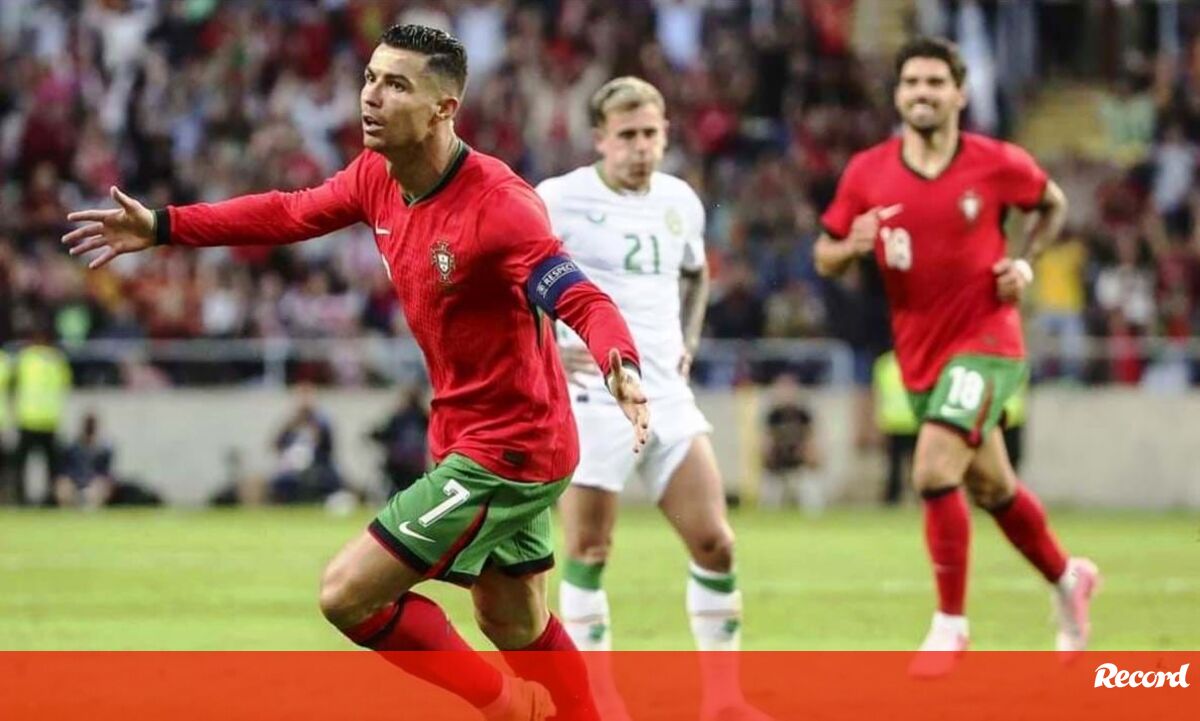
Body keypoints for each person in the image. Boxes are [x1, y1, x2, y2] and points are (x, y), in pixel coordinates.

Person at [63, 24, 649, 721]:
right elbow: (288, 212)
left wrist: (619, 362)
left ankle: (506, 706)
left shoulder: (499, 205)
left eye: (396, 85)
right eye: (370, 77)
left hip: (511, 448)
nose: (370, 96)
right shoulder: (378, 177)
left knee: (348, 594)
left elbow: (577, 295)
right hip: (468, 433)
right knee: (511, 618)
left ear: (444, 108)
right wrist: (165, 226)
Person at [813, 37, 1098, 674]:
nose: (923, 93)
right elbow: (824, 255)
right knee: (994, 487)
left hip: (988, 341)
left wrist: (1024, 262)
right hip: (920, 353)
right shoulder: (868, 173)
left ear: (960, 94)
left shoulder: (996, 162)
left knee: (932, 469)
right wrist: (851, 246)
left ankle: (950, 624)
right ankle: (1068, 578)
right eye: (912, 82)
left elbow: (1051, 204)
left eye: (936, 83)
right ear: (897, 95)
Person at [536, 76, 768, 721]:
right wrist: (548, 350)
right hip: (592, 397)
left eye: (651, 134)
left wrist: (687, 341)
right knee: (588, 551)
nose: (641, 147)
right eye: (627, 135)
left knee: (716, 542)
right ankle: (597, 701)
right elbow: (509, 279)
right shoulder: (557, 200)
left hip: (665, 394)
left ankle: (724, 701)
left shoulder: (680, 201)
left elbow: (695, 275)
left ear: (665, 133)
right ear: (599, 139)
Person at [11, 325, 72, 506]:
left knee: (23, 464)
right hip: (47, 418)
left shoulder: (25, 358)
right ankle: (49, 499)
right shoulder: (56, 359)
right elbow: (66, 383)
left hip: (29, 418)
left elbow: (14, 384)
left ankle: (22, 498)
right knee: (50, 465)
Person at [759, 373, 823, 513]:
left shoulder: (803, 414)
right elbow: (766, 441)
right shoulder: (773, 416)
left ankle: (814, 517)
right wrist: (767, 459)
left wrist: (811, 458)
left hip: (799, 464)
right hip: (778, 464)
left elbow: (811, 439)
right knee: (769, 496)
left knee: (810, 487)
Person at [270, 384, 344, 504]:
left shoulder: (322, 423)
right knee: (280, 480)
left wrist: (315, 431)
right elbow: (276, 445)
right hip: (292, 467)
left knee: (330, 478)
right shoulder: (290, 423)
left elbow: (328, 448)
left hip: (318, 464)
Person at [367, 385, 430, 495]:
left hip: (400, 463)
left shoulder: (401, 417)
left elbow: (386, 434)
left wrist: (374, 435)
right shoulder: (422, 417)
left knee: (397, 492)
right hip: (414, 463)